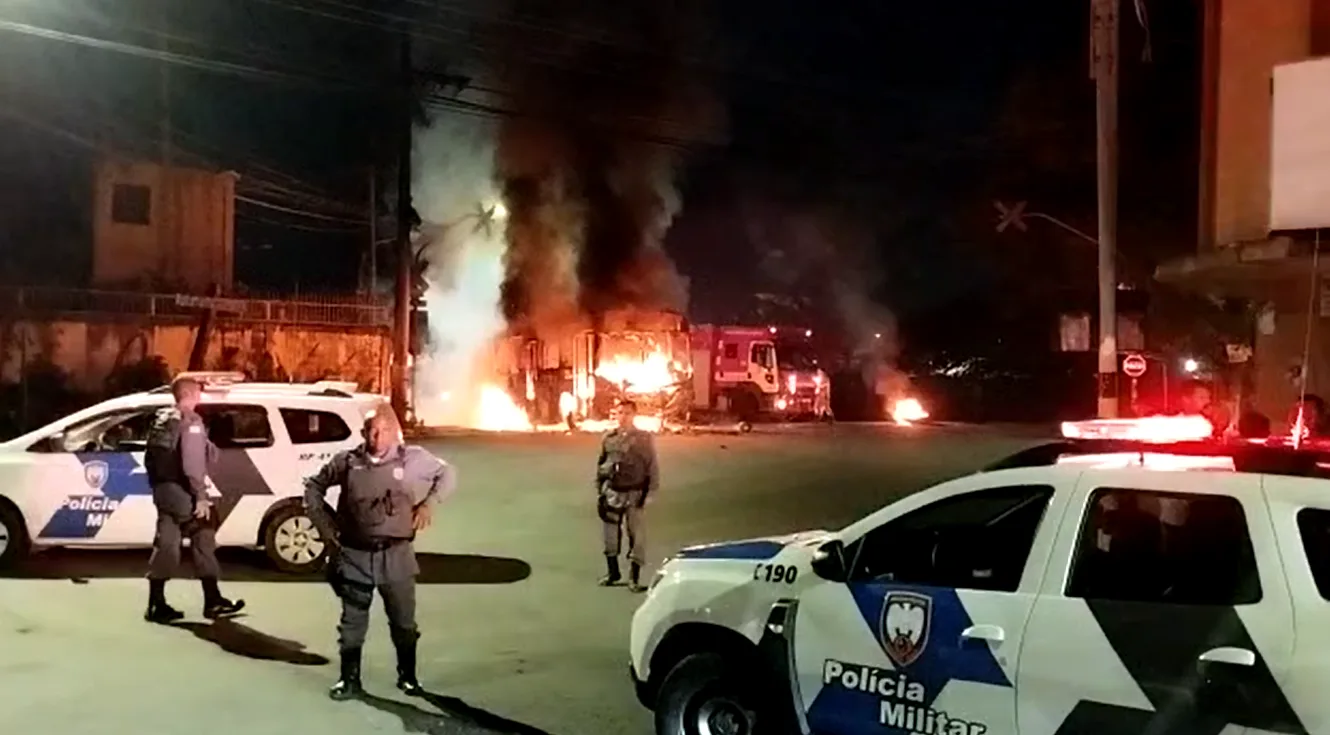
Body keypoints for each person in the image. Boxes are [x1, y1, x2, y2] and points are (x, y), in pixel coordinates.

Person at [303, 404, 457, 701]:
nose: (378, 437)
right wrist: (325, 526)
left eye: (384, 430)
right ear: (363, 433)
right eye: (372, 431)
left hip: (397, 556)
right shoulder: (347, 462)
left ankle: (408, 677)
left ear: (394, 432)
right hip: (355, 556)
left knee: (403, 622)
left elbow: (448, 473)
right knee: (352, 623)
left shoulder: (412, 459)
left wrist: (429, 504)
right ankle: (349, 680)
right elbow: (313, 488)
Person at [143, 376, 245, 623]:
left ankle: (156, 604)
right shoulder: (191, 421)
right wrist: (200, 496)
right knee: (204, 532)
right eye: (198, 392)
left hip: (163, 492)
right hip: (182, 491)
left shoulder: (162, 419)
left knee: (166, 543)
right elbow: (192, 464)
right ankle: (213, 601)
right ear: (190, 394)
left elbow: (152, 458)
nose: (200, 397)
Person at [595, 399, 659, 592]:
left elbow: (652, 467)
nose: (623, 416)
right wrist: (600, 489)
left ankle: (634, 578)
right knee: (610, 535)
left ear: (634, 415)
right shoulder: (609, 438)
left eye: (627, 413)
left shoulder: (643, 439)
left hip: (635, 493)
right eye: (619, 412)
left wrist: (650, 492)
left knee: (636, 536)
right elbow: (601, 465)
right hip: (612, 493)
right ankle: (613, 572)